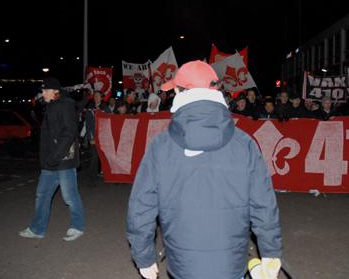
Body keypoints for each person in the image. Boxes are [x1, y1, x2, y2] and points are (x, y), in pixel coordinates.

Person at [126, 60, 282, 279]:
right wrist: (270, 251)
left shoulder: (160, 147)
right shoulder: (244, 143)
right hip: (231, 263)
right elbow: (263, 204)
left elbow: (141, 206)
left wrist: (143, 256)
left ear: (181, 92)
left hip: (182, 264)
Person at [19, 77, 85, 241]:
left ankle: (78, 226)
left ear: (54, 91)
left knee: (70, 197)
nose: (42, 93)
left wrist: (56, 156)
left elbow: (70, 132)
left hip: (63, 160)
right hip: (51, 162)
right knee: (42, 195)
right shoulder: (53, 104)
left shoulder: (65, 104)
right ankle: (37, 229)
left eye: (44, 91)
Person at [83, 91, 107, 187]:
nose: (96, 97)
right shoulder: (90, 109)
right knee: (94, 158)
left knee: (104, 157)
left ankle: (108, 175)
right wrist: (90, 137)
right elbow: (88, 124)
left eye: (98, 96)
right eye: (95, 96)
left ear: (101, 98)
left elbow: (111, 120)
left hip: (104, 137)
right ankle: (91, 179)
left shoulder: (105, 108)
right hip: (94, 137)